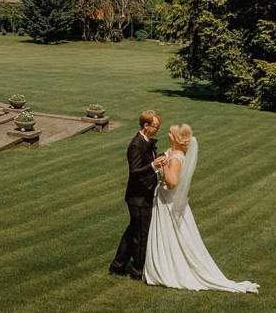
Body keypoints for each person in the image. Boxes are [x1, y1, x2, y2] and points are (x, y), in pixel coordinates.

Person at [144, 124, 259, 293]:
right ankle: (166, 263)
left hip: (168, 201)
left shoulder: (175, 158)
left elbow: (172, 183)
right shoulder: (176, 153)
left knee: (171, 234)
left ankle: (169, 269)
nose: (167, 134)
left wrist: (163, 166)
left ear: (175, 138)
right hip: (166, 200)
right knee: (173, 235)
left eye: (170, 132)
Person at [110, 110, 167, 279]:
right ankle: (137, 270)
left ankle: (118, 265)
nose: (158, 130)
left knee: (132, 231)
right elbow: (134, 172)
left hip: (144, 194)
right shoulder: (136, 144)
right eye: (156, 127)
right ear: (146, 126)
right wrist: (153, 165)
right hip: (138, 197)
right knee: (141, 235)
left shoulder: (147, 142)